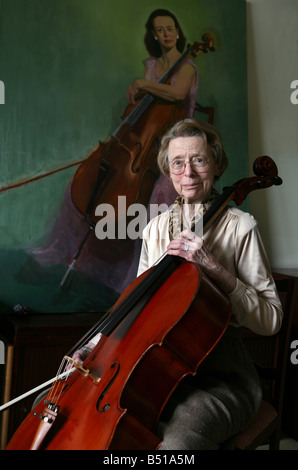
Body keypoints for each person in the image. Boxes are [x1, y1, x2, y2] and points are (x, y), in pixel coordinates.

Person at [71, 118, 283, 449]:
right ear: (168, 172)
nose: (188, 173)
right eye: (178, 163)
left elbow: (271, 320)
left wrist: (214, 268)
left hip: (223, 381)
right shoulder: (155, 229)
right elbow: (134, 303)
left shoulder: (241, 227)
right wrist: (94, 347)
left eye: (198, 160)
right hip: (160, 376)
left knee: (177, 445)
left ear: (215, 164)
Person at [28, 9, 199, 297]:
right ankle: (74, 255)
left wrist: (142, 84)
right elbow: (140, 114)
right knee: (93, 177)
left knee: (157, 198)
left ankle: (140, 278)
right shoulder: (153, 65)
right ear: (154, 35)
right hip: (138, 145)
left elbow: (177, 95)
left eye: (171, 28)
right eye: (160, 30)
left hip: (172, 149)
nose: (167, 34)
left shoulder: (187, 68)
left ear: (178, 32)